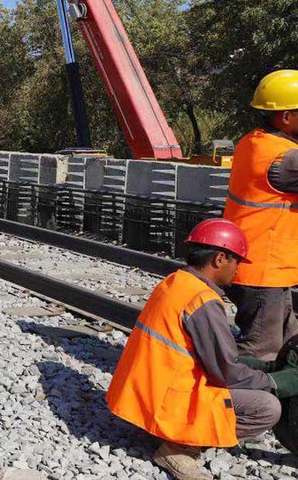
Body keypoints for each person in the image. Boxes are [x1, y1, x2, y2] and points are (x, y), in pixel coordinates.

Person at [107, 218, 298, 480]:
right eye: (236, 262)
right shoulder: (203, 301)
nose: (237, 271)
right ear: (220, 259)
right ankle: (179, 446)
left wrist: (260, 368)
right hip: (168, 405)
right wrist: (274, 381)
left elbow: (209, 355)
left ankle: (165, 432)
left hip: (142, 396)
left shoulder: (175, 282)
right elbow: (226, 372)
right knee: (266, 406)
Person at [222, 70, 298, 360]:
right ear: (286, 117)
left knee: (289, 340)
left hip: (260, 267)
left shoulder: (253, 143)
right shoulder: (286, 159)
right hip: (262, 270)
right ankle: (231, 399)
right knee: (261, 351)